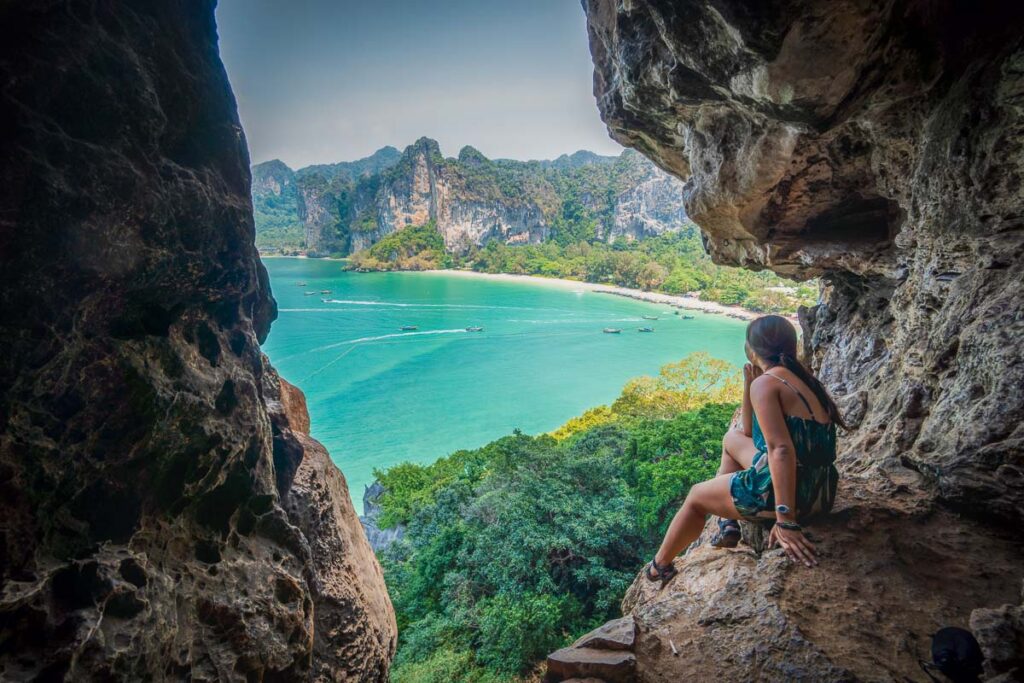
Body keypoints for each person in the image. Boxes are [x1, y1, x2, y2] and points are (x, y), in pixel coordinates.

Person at [646, 314, 844, 586]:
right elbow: (748, 433)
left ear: (752, 349)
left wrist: (786, 518)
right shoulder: (804, 380)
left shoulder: (769, 383)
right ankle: (728, 524)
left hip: (790, 495)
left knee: (695, 496)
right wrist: (749, 386)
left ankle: (659, 565)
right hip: (821, 492)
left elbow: (781, 450)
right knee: (731, 439)